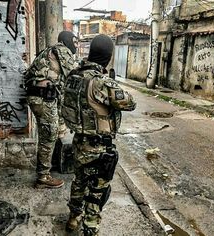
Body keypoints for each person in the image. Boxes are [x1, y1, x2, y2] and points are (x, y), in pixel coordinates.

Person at [62, 34, 136, 235]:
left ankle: (73, 218)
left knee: (79, 182)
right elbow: (129, 103)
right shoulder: (101, 82)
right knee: (97, 192)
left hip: (78, 142)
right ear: (108, 56)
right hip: (98, 148)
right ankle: (90, 229)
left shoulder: (73, 76)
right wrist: (109, 81)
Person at [24, 31, 78, 188]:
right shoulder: (62, 50)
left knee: (53, 131)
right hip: (42, 98)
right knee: (49, 134)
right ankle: (43, 177)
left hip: (42, 98)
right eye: (73, 41)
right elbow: (73, 75)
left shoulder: (51, 50)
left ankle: (50, 164)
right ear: (67, 40)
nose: (75, 44)